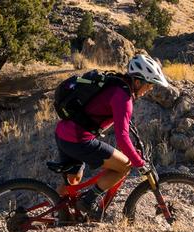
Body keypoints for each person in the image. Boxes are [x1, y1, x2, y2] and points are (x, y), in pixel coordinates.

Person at [54, 54, 173, 219]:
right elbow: (122, 137)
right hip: (78, 139)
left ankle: (57, 215)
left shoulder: (116, 83)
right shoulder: (123, 97)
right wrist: (140, 164)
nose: (150, 89)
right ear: (138, 82)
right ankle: (89, 201)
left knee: (72, 181)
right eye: (149, 85)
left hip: (63, 132)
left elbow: (122, 124)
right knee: (125, 165)